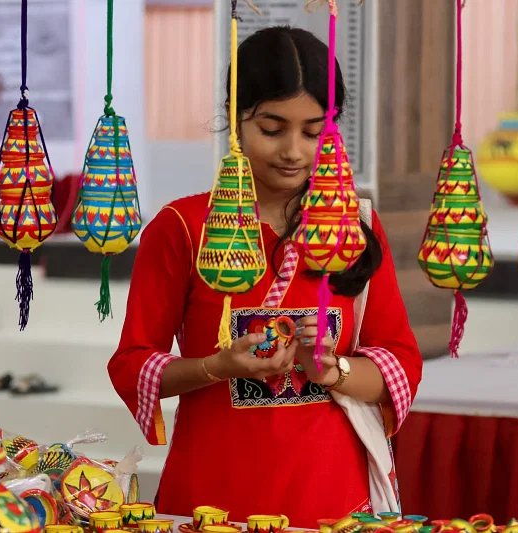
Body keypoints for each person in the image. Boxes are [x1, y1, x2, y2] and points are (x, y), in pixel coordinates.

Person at [108, 26, 422, 526]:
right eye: (273, 129)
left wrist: (331, 369)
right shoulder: (184, 228)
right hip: (213, 494)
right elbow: (131, 364)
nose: (294, 151)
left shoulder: (350, 224)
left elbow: (399, 364)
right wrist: (216, 366)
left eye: (313, 131)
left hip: (331, 497)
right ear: (236, 118)